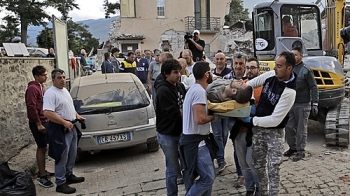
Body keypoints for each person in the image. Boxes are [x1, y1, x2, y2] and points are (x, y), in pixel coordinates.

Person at [243, 51, 297, 196]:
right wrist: (252, 101)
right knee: (258, 165)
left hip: (275, 133)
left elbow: (275, 120)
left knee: (273, 168)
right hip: (259, 131)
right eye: (275, 65)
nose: (275, 68)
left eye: (279, 66)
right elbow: (250, 84)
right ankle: (262, 192)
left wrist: (252, 120)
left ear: (289, 68)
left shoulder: (289, 92)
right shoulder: (272, 76)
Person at [179, 61, 219, 196]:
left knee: (207, 178)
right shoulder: (199, 92)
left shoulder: (193, 90)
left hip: (194, 142)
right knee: (208, 178)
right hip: (197, 145)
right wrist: (214, 117)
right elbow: (199, 119)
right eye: (210, 72)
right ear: (207, 74)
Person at [43, 69, 86, 194]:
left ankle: (69, 175)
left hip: (71, 126)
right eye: (59, 78)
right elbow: (47, 113)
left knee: (72, 153)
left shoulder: (65, 90)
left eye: (63, 77)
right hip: (60, 128)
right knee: (61, 155)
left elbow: (69, 106)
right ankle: (60, 183)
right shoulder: (50, 93)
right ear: (53, 80)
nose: (63, 80)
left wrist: (77, 116)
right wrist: (63, 122)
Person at [154, 59, 186, 196]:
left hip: (182, 132)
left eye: (179, 72)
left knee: (187, 166)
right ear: (166, 74)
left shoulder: (180, 86)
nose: (178, 75)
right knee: (173, 169)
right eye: (175, 72)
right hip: (168, 135)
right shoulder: (163, 90)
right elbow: (174, 113)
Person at [230, 57, 262, 196]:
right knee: (243, 164)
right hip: (239, 129)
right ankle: (249, 188)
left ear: (258, 69)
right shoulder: (241, 85)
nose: (249, 70)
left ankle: (260, 188)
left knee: (252, 163)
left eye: (252, 67)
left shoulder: (263, 86)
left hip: (255, 130)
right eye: (247, 67)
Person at [284, 47, 318, 161]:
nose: (293, 57)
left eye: (295, 55)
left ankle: (301, 151)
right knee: (288, 127)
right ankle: (293, 147)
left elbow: (313, 87)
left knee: (301, 129)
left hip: (303, 104)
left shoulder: (306, 70)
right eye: (291, 55)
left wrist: (315, 103)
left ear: (301, 56)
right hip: (291, 104)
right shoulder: (289, 69)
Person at [25, 65, 53, 188]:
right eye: (43, 75)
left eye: (46, 74)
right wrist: (38, 123)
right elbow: (31, 107)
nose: (46, 77)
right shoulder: (32, 88)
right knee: (41, 147)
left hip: (45, 120)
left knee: (45, 147)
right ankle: (42, 176)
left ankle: (44, 171)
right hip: (38, 122)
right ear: (36, 76)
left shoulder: (42, 87)